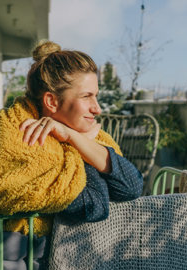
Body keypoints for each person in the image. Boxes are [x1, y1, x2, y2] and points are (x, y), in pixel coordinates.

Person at [19, 40, 144, 222]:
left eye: (96, 96)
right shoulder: (29, 140)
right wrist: (80, 144)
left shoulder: (82, 133)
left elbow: (132, 187)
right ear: (52, 101)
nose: (97, 109)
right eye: (86, 96)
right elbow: (93, 207)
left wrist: (75, 138)